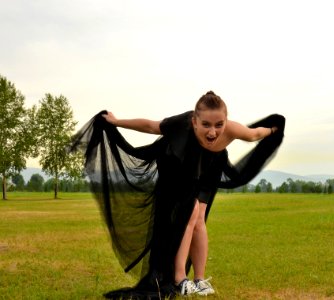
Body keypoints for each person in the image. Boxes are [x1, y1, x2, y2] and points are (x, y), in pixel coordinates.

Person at [70, 91, 285, 299]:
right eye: (206, 125)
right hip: (179, 165)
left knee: (200, 218)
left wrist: (274, 130)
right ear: (194, 121)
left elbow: (255, 133)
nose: (213, 132)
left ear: (226, 121)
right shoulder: (180, 123)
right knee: (189, 215)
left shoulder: (232, 130)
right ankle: (180, 279)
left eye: (219, 125)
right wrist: (117, 122)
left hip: (210, 167)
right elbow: (151, 126)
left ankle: (200, 280)